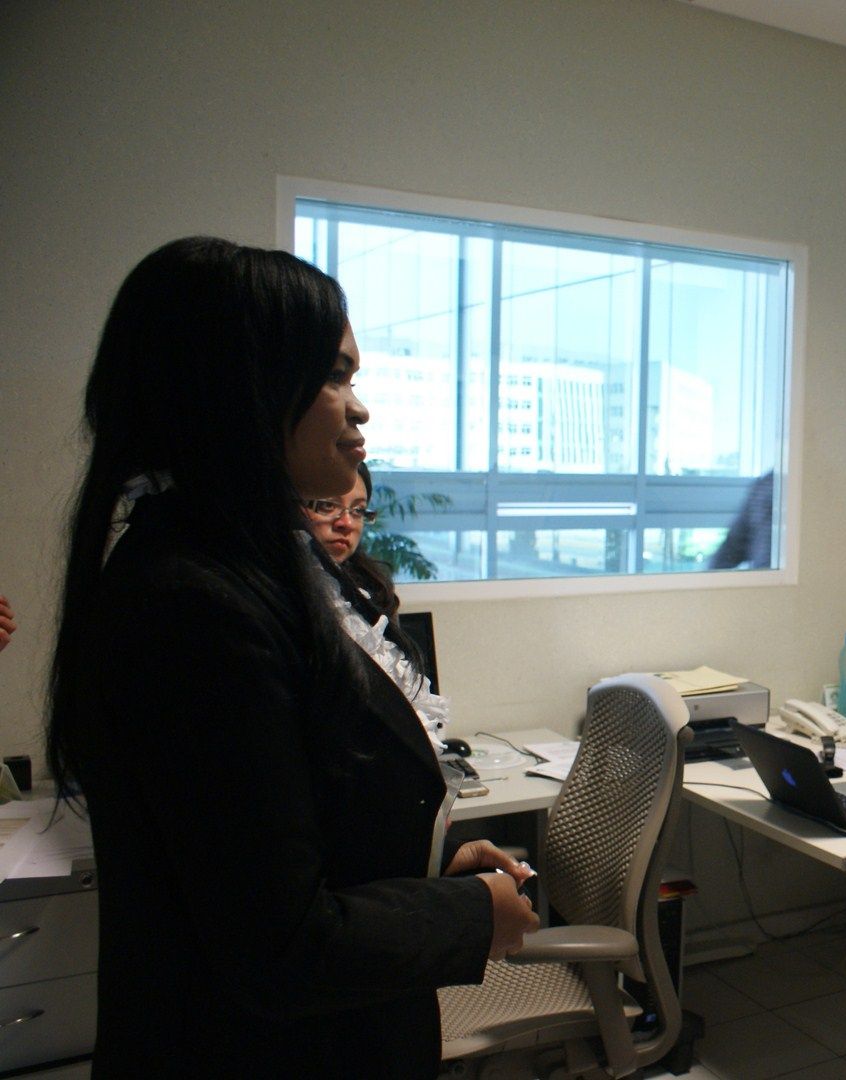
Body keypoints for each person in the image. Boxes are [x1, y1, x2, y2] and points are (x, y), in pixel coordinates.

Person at [46, 237, 538, 1078]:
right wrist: (469, 917)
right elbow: (277, 944)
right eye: (336, 376)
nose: (359, 410)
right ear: (239, 387)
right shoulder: (194, 606)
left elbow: (274, 837)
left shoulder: (256, 567)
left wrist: (427, 868)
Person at [303, 460, 399, 619]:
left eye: (358, 510)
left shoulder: (376, 590)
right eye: (328, 505)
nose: (347, 523)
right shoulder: (269, 595)